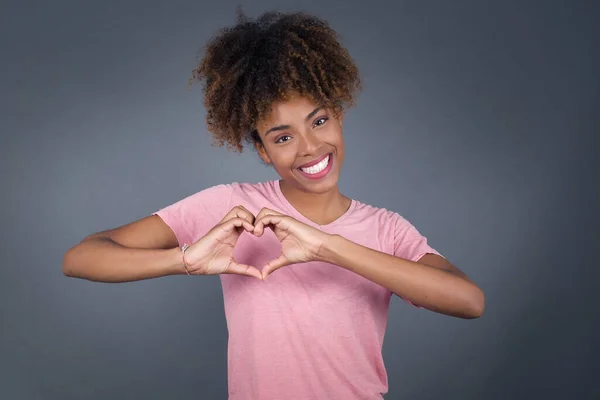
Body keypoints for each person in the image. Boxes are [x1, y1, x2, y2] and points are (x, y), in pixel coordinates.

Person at [63, 9, 485, 400]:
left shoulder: (386, 229)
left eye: (319, 121)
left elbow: (469, 301)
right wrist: (185, 260)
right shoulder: (233, 207)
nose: (309, 147)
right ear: (263, 150)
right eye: (283, 137)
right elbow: (82, 258)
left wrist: (327, 247)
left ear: (339, 115)